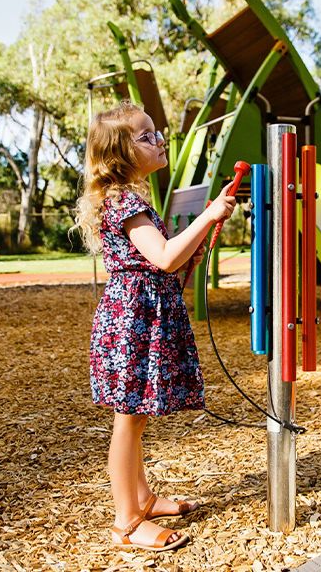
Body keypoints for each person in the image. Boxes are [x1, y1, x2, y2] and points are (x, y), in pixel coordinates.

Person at [73, 101, 236, 552]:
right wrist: (207, 215)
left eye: (155, 132)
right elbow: (162, 256)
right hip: (132, 323)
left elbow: (164, 262)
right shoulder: (123, 201)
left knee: (137, 418)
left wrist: (192, 250)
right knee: (128, 420)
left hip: (142, 314)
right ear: (119, 155)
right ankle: (126, 521)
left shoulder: (134, 198)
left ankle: (142, 498)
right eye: (145, 136)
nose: (158, 140)